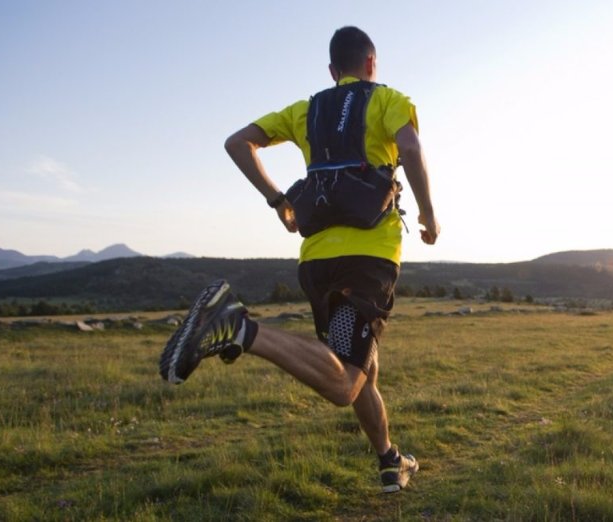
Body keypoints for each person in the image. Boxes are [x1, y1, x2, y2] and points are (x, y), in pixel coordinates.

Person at [158, 26, 439, 494]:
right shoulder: (389, 99)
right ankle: (239, 327)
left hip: (315, 262)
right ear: (372, 63)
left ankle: (390, 460)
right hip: (367, 259)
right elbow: (409, 148)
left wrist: (277, 200)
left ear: (333, 71)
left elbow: (237, 142)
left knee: (363, 367)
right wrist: (429, 216)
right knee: (344, 381)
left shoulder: (306, 110)